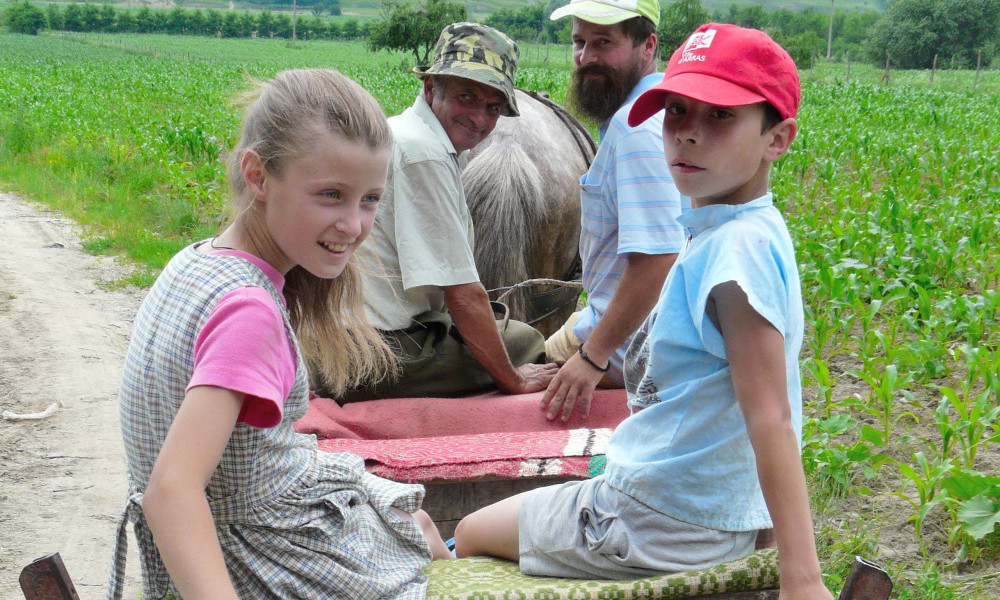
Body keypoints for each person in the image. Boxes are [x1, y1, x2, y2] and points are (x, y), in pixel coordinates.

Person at [454, 24, 834, 600]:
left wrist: (800, 577)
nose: (688, 135)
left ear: (777, 139)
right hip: (685, 505)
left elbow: (771, 416)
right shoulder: (741, 231)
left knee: (468, 530)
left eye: (721, 117)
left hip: (655, 519)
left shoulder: (732, 256)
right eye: (677, 111)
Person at [108, 68, 450, 600]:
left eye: (370, 199)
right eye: (331, 195)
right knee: (420, 547)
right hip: (264, 555)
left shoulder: (196, 262)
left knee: (415, 523)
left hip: (258, 523)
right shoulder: (250, 312)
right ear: (259, 176)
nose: (355, 225)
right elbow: (172, 490)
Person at [331, 22, 558, 403]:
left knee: (500, 326)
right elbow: (463, 296)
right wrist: (513, 379)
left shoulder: (403, 133)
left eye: (493, 107)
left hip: (356, 333)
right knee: (527, 341)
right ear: (430, 87)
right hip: (375, 351)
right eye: (466, 97)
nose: (481, 120)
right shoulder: (424, 154)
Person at [539, 0, 686, 422]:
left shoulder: (634, 129)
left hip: (627, 348)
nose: (586, 58)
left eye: (604, 42)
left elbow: (659, 257)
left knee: (508, 366)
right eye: (579, 42)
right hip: (628, 327)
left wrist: (592, 357)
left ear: (648, 45)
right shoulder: (656, 114)